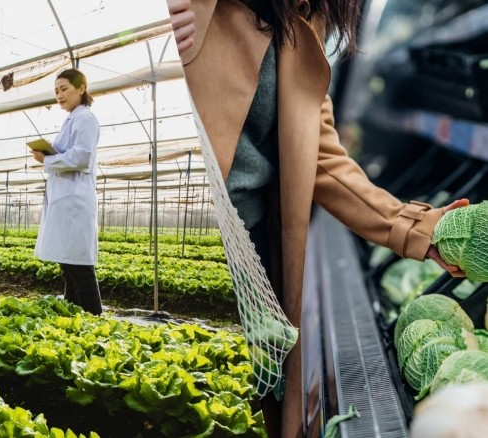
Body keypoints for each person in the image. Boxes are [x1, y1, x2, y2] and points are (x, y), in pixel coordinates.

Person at [167, 1, 468, 437]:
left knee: (253, 399)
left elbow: (322, 156)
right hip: (209, 234)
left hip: (252, 249)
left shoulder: (307, 18)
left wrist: (418, 228)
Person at [31, 68, 103, 316]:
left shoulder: (85, 119)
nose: (59, 96)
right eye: (56, 92)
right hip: (66, 201)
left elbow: (82, 157)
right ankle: (74, 319)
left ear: (81, 88)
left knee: (79, 267)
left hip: (75, 202)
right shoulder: (72, 118)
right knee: (69, 265)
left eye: (64, 89)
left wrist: (48, 160)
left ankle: (94, 318)